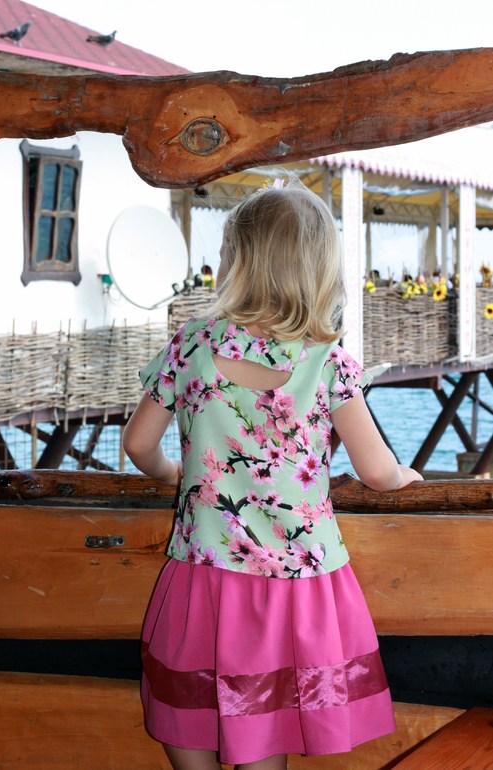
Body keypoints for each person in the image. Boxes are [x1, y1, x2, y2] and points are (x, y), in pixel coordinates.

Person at [123, 177, 423, 770]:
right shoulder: (328, 362)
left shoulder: (190, 346)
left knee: (187, 713)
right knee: (265, 737)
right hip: (293, 591)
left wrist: (171, 473)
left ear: (235, 261)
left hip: (203, 579)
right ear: (318, 270)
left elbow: (137, 443)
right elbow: (375, 469)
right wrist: (405, 478)